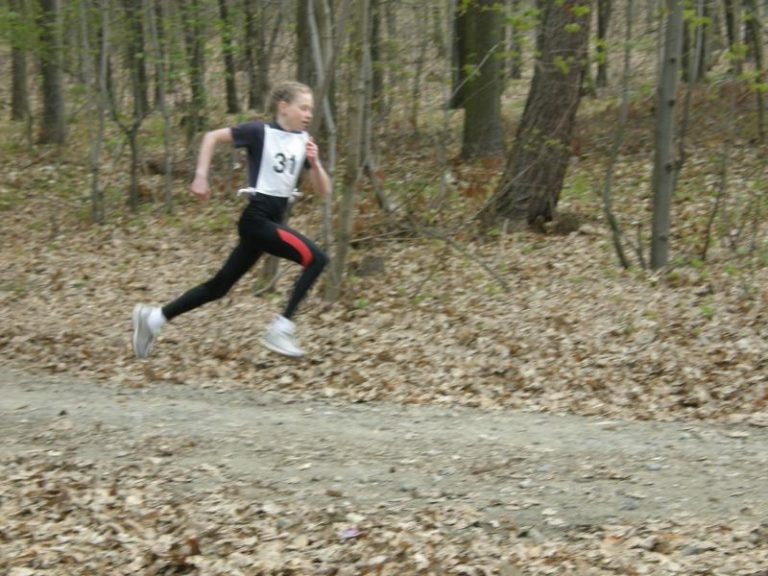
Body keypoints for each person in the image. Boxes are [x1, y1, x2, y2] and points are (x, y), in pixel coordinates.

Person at [132, 81, 331, 359]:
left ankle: (153, 319)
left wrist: (316, 163)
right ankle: (282, 328)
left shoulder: (303, 141)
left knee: (219, 286)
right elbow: (211, 137)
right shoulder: (258, 131)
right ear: (284, 107)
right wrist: (200, 176)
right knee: (317, 259)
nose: (309, 114)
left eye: (311, 109)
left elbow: (324, 190)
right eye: (304, 108)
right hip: (257, 220)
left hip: (269, 222)